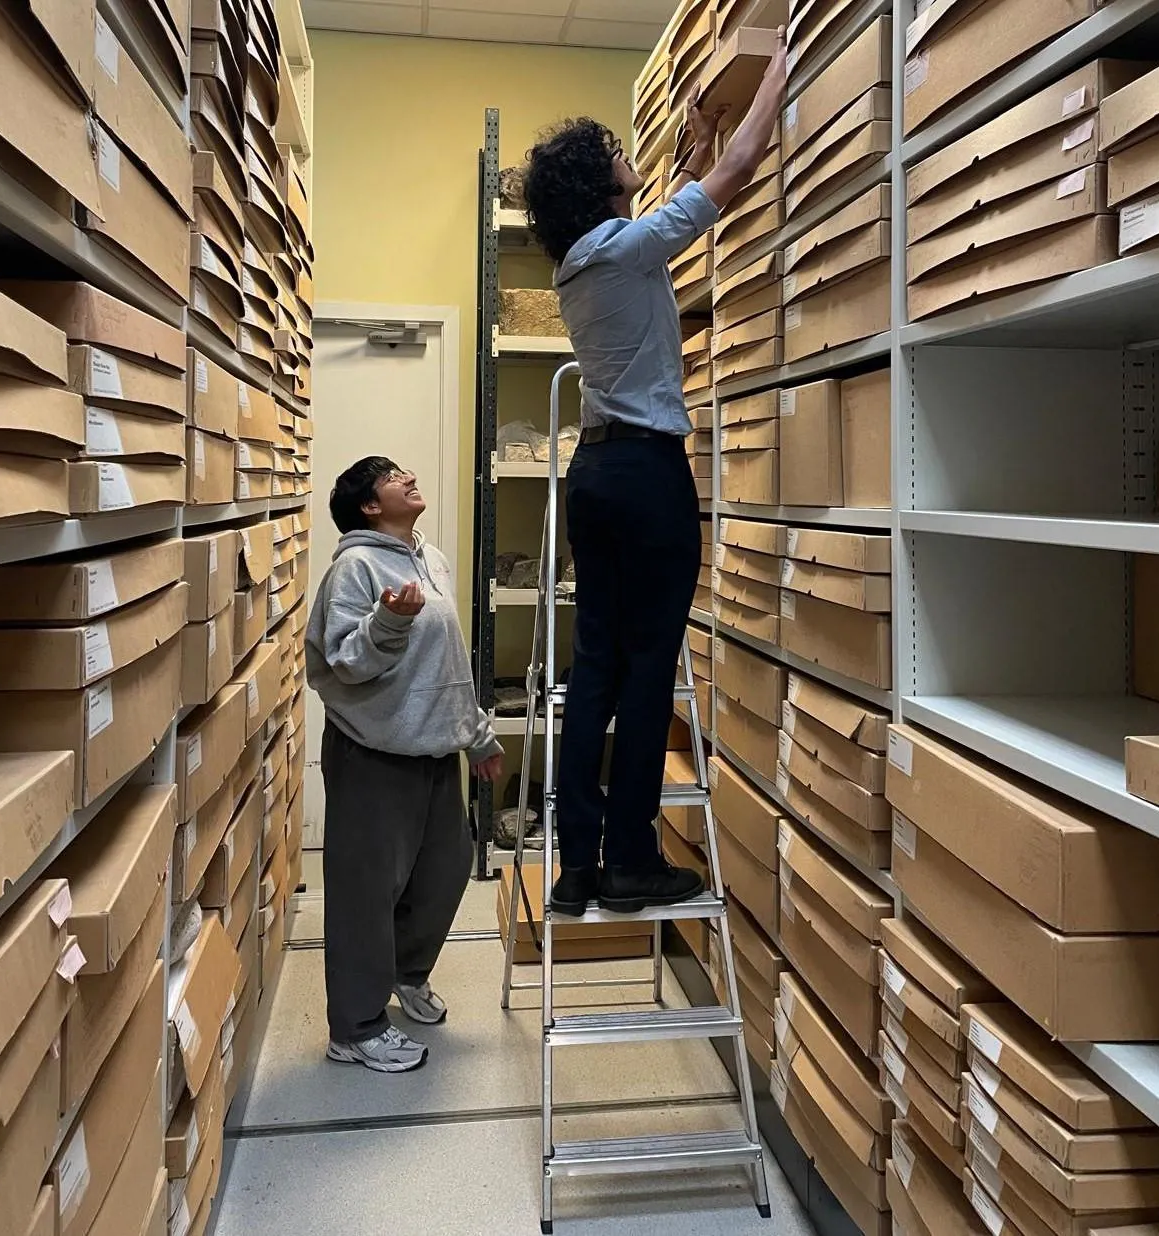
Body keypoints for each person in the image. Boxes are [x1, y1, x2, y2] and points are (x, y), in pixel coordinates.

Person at [523, 37, 787, 917]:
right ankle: (633, 861)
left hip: (593, 474)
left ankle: (576, 868)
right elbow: (743, 165)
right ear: (602, 186)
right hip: (644, 474)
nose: (623, 156)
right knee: (647, 671)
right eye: (613, 154)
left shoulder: (583, 261)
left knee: (595, 667)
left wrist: (693, 142)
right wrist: (786, 60)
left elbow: (680, 196)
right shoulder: (632, 248)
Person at [306, 457, 504, 1072]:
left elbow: (450, 662)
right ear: (369, 505)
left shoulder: (431, 558)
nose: (411, 476)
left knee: (446, 868)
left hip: (434, 748)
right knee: (367, 891)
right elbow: (344, 663)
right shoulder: (354, 567)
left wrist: (476, 735)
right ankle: (357, 1026)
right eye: (394, 476)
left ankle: (404, 974)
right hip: (372, 752)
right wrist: (388, 621)